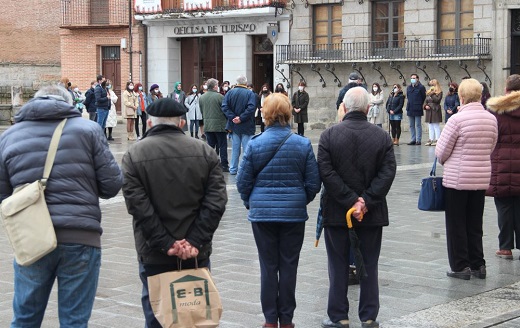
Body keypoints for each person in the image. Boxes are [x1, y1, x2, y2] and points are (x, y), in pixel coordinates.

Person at [0, 85, 123, 327]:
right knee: (74, 321)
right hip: (80, 235)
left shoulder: (9, 136)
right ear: (68, 103)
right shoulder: (88, 130)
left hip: (31, 237)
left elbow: (3, 195)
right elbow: (111, 186)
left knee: (24, 319)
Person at [121, 98, 227, 328]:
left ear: (149, 123)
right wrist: (194, 240)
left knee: (157, 311)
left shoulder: (134, 155)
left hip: (154, 251)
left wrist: (166, 243)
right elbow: (216, 202)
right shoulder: (205, 152)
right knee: (196, 313)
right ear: (181, 123)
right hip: (195, 252)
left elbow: (138, 207)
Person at [235, 92, 320, 327]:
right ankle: (287, 319)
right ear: (288, 113)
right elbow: (314, 183)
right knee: (289, 265)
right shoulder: (302, 144)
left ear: (266, 115)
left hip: (262, 214)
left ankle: (270, 320)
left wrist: (251, 203)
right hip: (293, 214)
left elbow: (243, 182)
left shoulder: (254, 143)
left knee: (268, 266)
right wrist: (299, 200)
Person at [318, 87, 396, 328]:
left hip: (337, 212)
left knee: (338, 264)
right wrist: (365, 201)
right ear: (367, 108)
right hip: (371, 214)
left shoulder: (329, 136)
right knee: (370, 264)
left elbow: (326, 173)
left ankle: (339, 316)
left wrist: (350, 200)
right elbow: (387, 172)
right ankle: (369, 316)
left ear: (344, 107)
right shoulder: (382, 136)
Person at [435, 78, 498, 280]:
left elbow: (441, 151)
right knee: (474, 223)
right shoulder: (491, 119)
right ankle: (478, 264)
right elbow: (491, 146)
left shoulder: (456, 120)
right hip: (480, 179)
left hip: (458, 180)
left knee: (456, 224)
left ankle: (461, 266)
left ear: (461, 97)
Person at [485, 74, 520, 260]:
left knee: (504, 206)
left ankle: (505, 247)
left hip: (501, 162)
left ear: (506, 90)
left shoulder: (496, 110)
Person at [221, 75, 257, 175]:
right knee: (247, 150)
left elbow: (224, 107)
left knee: (235, 149)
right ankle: (247, 169)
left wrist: (233, 117)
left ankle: (233, 169)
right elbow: (251, 108)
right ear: (245, 83)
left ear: (237, 82)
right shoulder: (250, 94)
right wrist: (241, 118)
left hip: (234, 126)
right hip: (246, 125)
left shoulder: (230, 93)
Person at [200, 78, 229, 172]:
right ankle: (224, 165)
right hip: (219, 125)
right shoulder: (219, 96)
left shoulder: (202, 97)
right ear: (215, 86)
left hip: (208, 125)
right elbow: (225, 110)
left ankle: (209, 164)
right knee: (222, 145)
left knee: (210, 145)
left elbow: (202, 111)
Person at [405, 73, 426, 145]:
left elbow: (423, 97)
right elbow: (408, 96)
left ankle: (418, 140)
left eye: (414, 78)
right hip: (410, 107)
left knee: (418, 125)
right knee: (411, 125)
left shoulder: (421, 87)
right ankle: (413, 139)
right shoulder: (409, 87)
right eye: (412, 78)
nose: (412, 79)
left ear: (417, 79)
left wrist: (419, 103)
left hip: (417, 107)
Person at [423, 79, 443, 146]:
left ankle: (438, 139)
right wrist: (425, 106)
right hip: (429, 110)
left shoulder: (439, 92)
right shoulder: (429, 92)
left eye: (432, 85)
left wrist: (432, 94)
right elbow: (426, 100)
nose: (431, 87)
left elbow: (437, 100)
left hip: (435, 109)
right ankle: (430, 139)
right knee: (430, 125)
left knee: (436, 126)